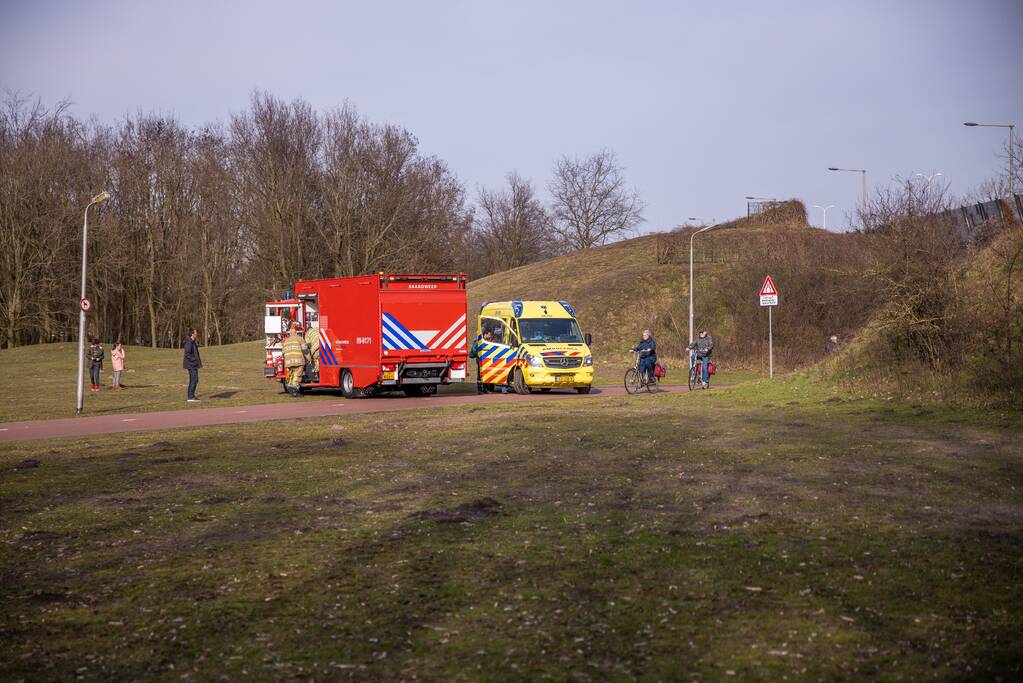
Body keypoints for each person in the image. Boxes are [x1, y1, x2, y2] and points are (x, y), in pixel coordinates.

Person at [281, 321, 308, 397]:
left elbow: (283, 352)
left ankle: (289, 386)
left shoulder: (286, 340)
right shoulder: (300, 339)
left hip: (289, 362)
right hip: (298, 361)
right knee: (297, 375)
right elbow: (305, 350)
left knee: (291, 375)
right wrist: (309, 359)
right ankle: (295, 390)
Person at [183, 328, 203, 402]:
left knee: (195, 380)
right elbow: (187, 354)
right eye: (195, 333)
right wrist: (194, 360)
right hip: (191, 365)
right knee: (194, 380)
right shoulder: (189, 342)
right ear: (192, 334)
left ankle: (191, 395)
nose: (196, 334)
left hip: (193, 364)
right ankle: (191, 397)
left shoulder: (193, 342)